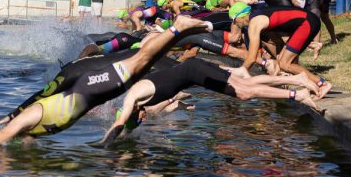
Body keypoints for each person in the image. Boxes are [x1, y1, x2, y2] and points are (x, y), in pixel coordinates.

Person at [0, 16, 214, 144]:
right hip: (95, 86)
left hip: (96, 85)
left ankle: (178, 28)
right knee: (145, 63)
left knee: (144, 58)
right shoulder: (35, 128)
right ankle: (178, 32)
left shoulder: (31, 116)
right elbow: (25, 127)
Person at [101, 58, 320, 144]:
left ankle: (298, 92)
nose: (143, 117)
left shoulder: (132, 98)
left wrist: (103, 144)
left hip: (195, 70)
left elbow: (119, 124)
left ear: (133, 113)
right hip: (195, 74)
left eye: (139, 119)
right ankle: (297, 81)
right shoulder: (144, 103)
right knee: (246, 88)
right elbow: (127, 126)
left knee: (245, 90)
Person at [228, 2, 332, 98]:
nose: (235, 25)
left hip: (307, 23)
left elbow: (251, 58)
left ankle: (323, 84)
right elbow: (277, 42)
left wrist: (240, 73)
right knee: (282, 61)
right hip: (306, 21)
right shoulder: (258, 16)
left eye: (233, 21)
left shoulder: (254, 23)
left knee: (285, 64)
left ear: (240, 17)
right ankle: (314, 84)